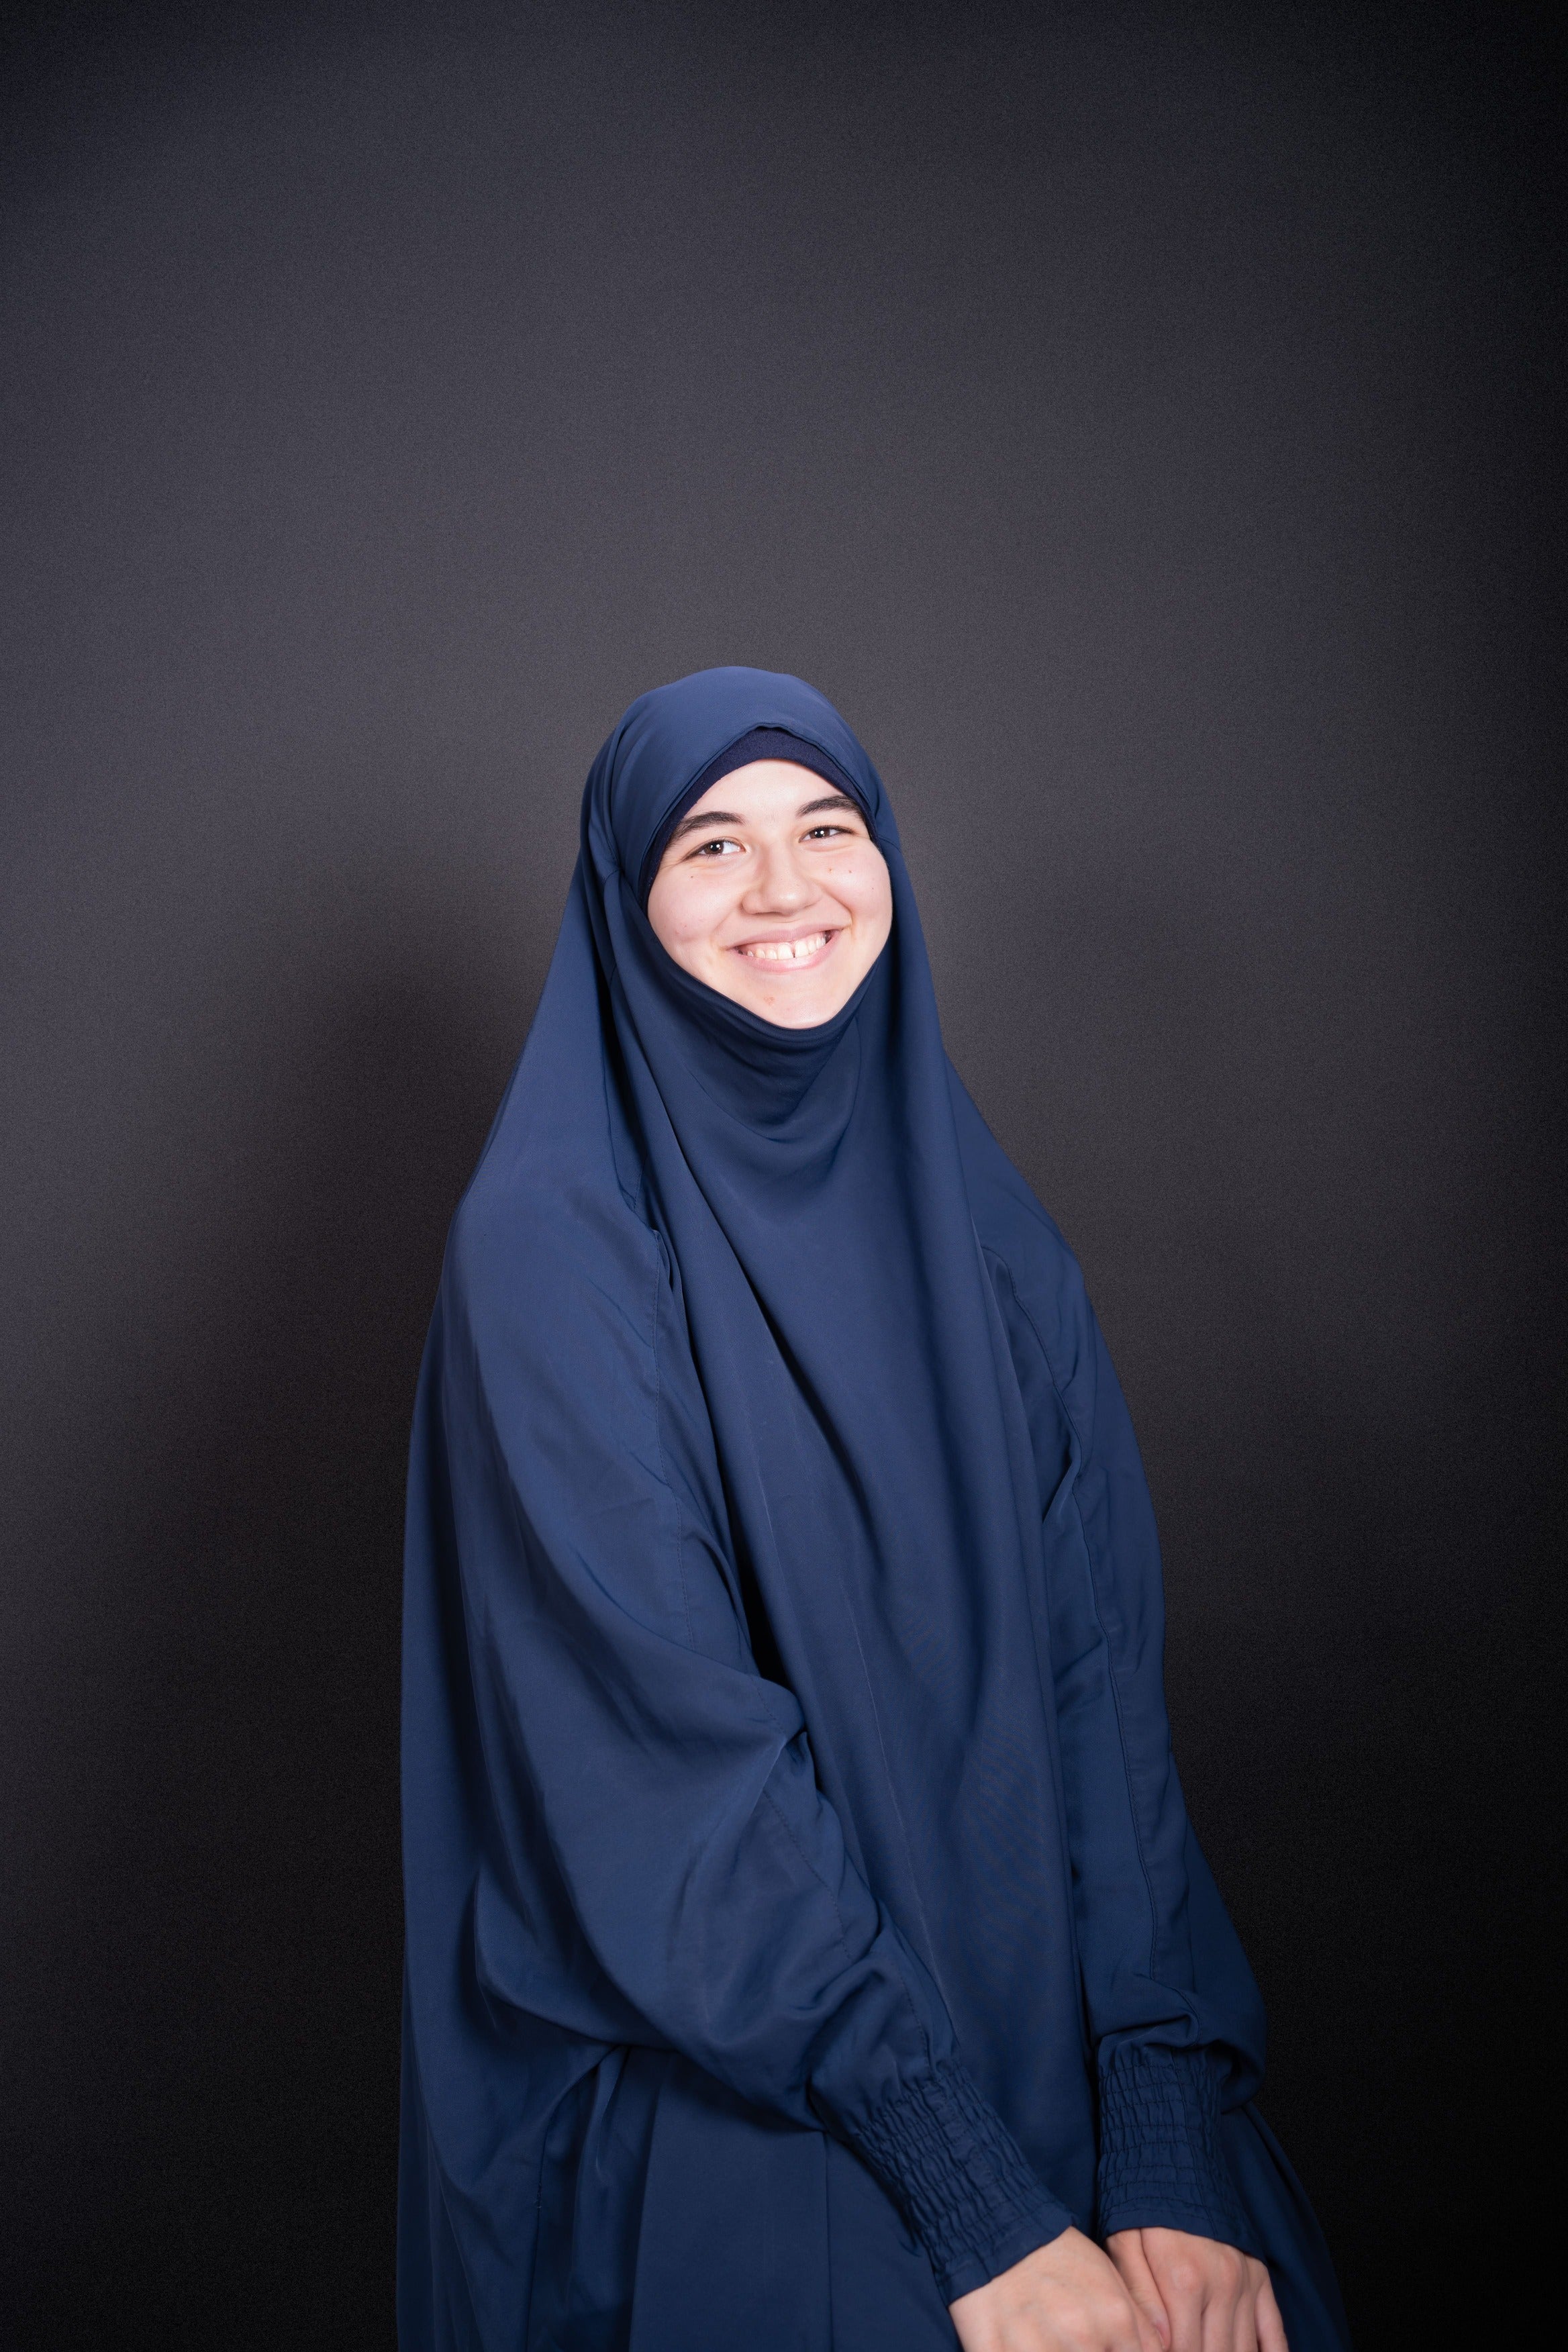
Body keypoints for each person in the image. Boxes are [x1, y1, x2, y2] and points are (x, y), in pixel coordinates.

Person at [398, 668, 1352, 2351]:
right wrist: (975, 2200)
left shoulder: (996, 1248)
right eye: (711, 844)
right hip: (744, 2046)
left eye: (828, 829)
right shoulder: (551, 1253)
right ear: (626, 900)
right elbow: (672, 1791)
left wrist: (1157, 2127)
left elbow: (1101, 1707)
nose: (786, 889)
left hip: (1050, 2027)